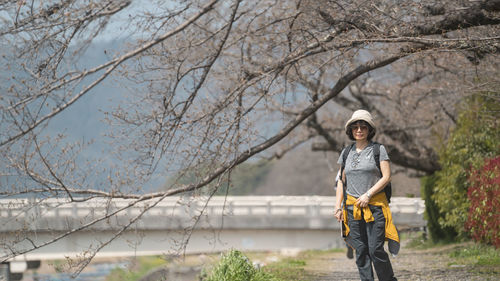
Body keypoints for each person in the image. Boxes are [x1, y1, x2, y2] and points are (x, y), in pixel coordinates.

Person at [334, 110, 399, 281]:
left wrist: (368, 194)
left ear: (369, 129)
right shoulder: (346, 152)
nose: (359, 130)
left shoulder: (378, 150)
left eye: (363, 126)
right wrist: (338, 207)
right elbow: (341, 181)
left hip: (375, 207)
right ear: (351, 130)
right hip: (351, 208)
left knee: (375, 249)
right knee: (361, 250)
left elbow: (386, 177)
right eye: (355, 127)